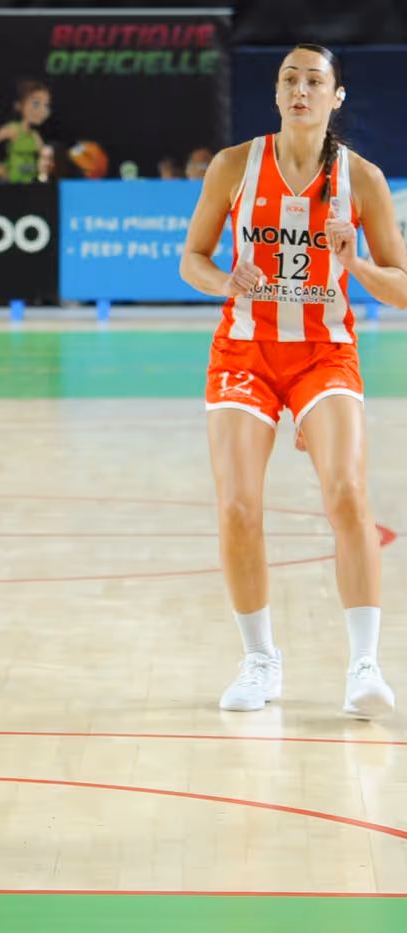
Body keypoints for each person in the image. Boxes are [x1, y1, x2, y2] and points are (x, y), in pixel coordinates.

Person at [180, 45, 407, 718]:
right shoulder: (233, 165)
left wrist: (356, 263)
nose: (300, 89)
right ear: (277, 93)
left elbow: (401, 288)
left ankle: (364, 664)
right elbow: (191, 259)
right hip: (245, 349)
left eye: (315, 81)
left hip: (323, 352)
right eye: (290, 79)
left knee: (346, 492)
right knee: (238, 507)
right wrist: (226, 280)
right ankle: (260, 660)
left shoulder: (361, 180)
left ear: (336, 97)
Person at [0, 80, 49, 183]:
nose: (41, 110)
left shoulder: (34, 135)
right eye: (35, 103)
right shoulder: (13, 129)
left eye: (46, 105)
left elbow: (45, 156)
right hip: (14, 183)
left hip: (31, 182)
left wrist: (43, 171)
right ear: (19, 105)